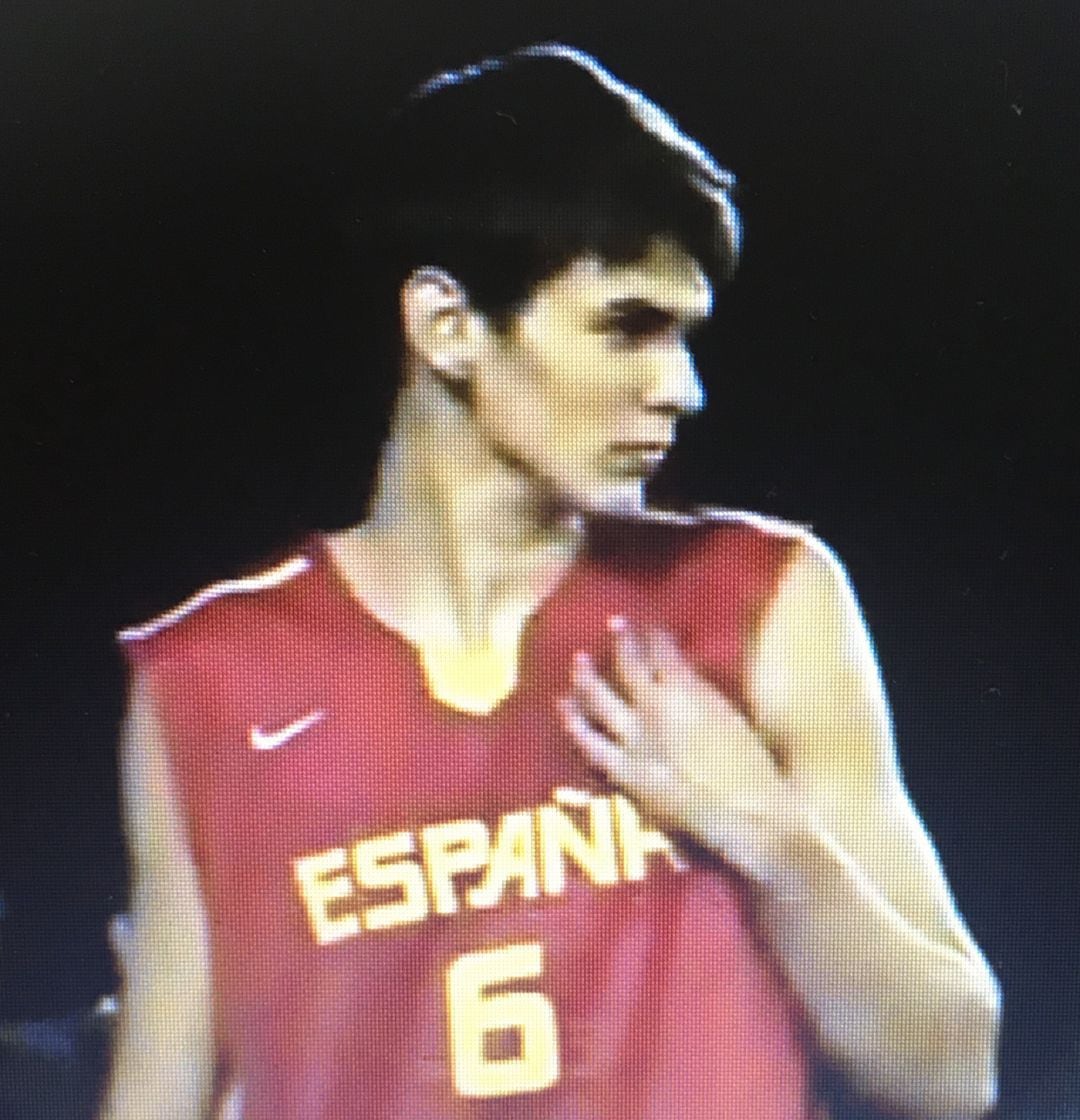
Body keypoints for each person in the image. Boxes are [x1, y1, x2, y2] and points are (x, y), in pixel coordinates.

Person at [98, 43, 1001, 1120]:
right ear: (446, 326)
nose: (682, 388)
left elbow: (953, 1074)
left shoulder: (765, 600)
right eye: (628, 327)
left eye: (686, 335)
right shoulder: (208, 675)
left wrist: (769, 831)